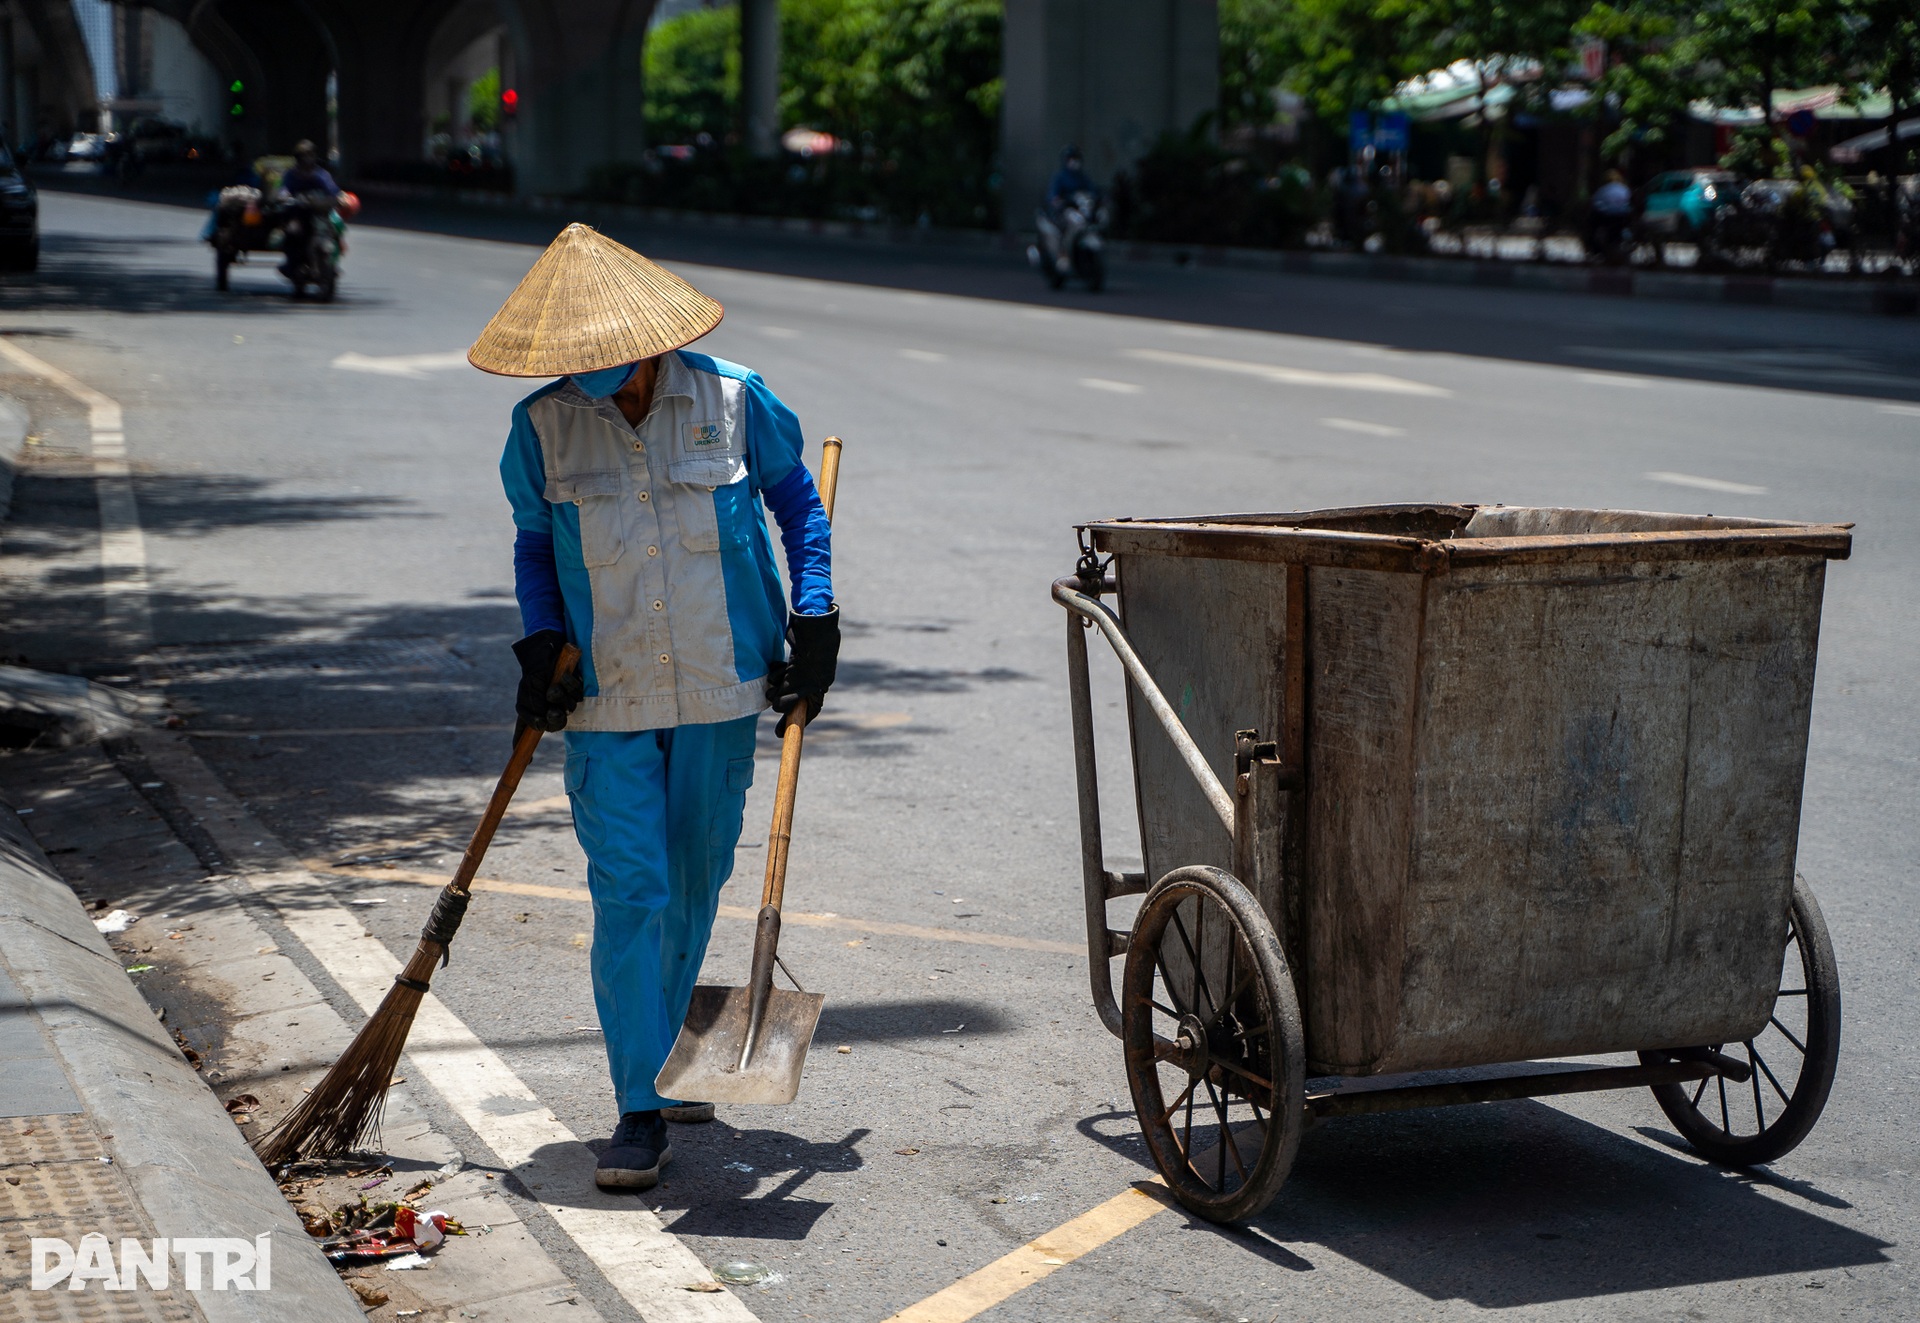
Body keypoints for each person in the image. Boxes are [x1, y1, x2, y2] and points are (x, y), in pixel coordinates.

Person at [469, 223, 838, 1192]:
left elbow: (798, 506)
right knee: (629, 889)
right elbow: (531, 545)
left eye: (607, 357)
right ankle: (638, 1105)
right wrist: (540, 639)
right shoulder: (541, 427)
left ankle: (667, 1050)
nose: (593, 374)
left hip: (719, 684)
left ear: (646, 337)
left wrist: (817, 617)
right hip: (608, 694)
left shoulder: (734, 397)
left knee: (694, 877)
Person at [1047, 146, 1095, 214]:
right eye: (1071, 159)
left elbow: (1092, 189)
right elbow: (1054, 196)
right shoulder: (1059, 177)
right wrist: (1059, 200)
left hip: (1083, 207)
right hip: (1067, 209)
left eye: (1077, 159)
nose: (1074, 162)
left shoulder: (1083, 177)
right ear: (1066, 161)